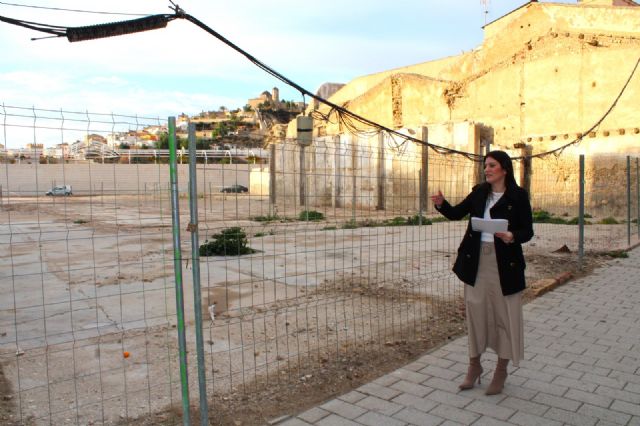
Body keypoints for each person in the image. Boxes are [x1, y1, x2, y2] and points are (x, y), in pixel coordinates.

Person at [430, 150, 533, 395]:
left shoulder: (518, 196)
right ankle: (474, 367)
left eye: (491, 165)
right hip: (476, 261)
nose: (486, 169)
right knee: (475, 313)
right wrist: (441, 204)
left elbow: (527, 231)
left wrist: (511, 236)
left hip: (505, 263)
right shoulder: (479, 192)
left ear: (504, 169)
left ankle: (501, 370)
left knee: (504, 315)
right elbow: (456, 213)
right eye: (485, 165)